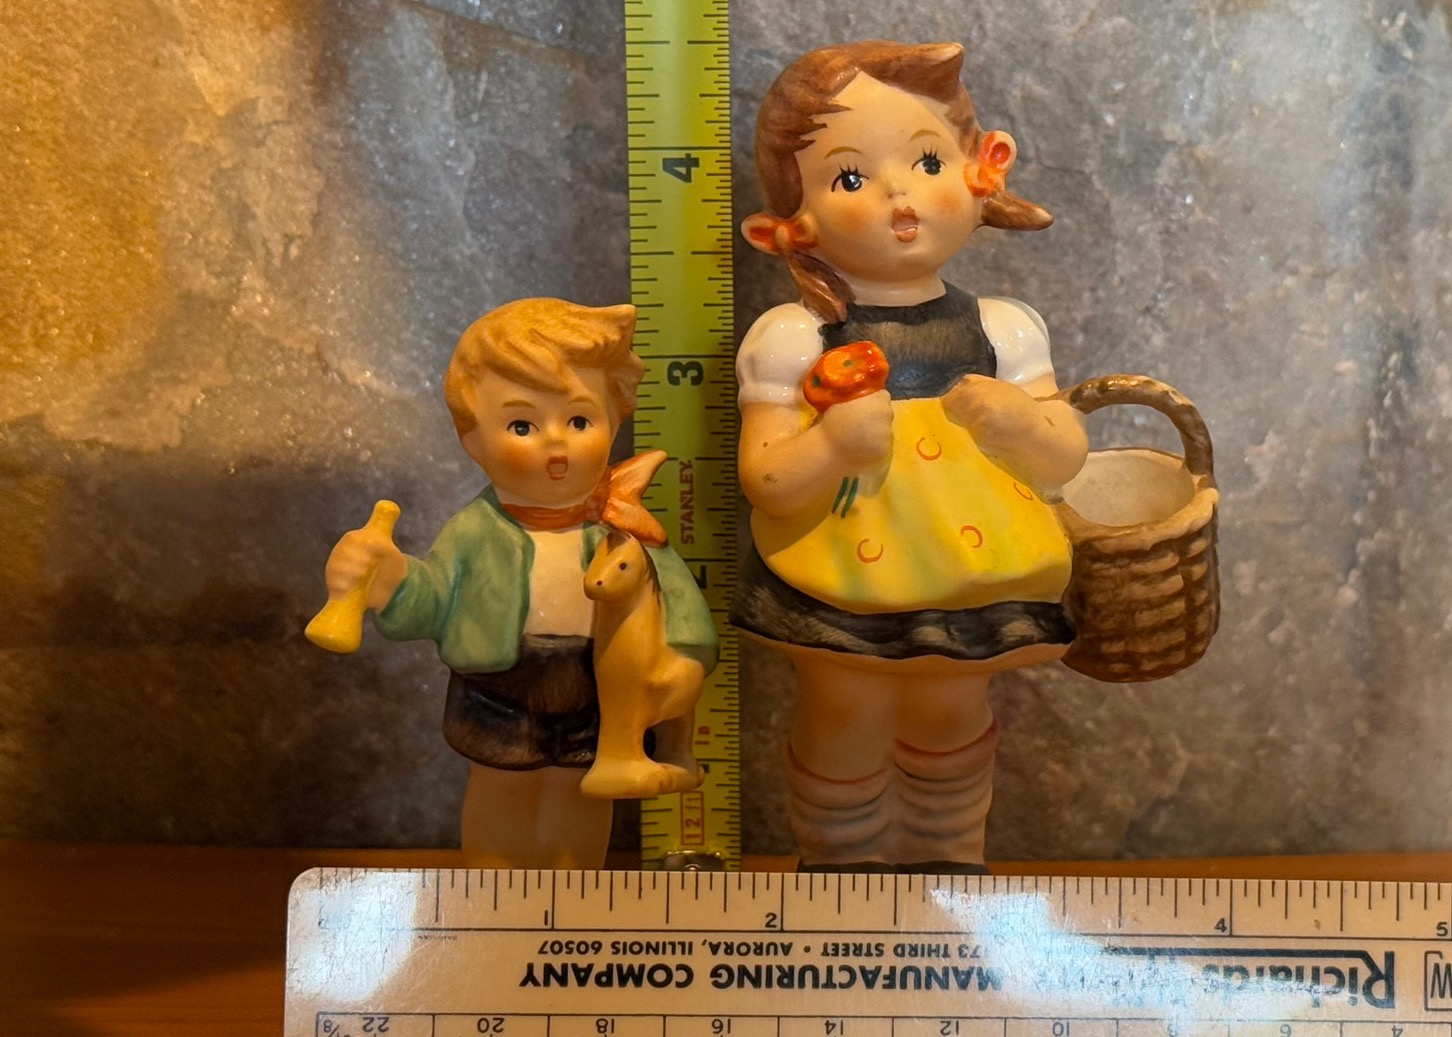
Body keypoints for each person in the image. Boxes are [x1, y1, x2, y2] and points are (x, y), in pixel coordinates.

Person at [734, 41, 1088, 872]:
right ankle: (842, 864)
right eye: (851, 177)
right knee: (844, 712)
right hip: (840, 580)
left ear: (980, 170)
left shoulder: (1003, 328)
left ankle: (948, 860)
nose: (900, 195)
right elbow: (767, 479)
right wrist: (832, 444)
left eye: (927, 161)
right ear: (795, 223)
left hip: (971, 577)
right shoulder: (795, 337)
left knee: (950, 712)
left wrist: (1021, 423)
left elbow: (1064, 455)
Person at [323, 297, 717, 868]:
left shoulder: (626, 530)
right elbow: (431, 601)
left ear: (614, 419)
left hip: (596, 683)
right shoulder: (473, 533)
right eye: (522, 425)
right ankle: (494, 895)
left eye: (579, 421)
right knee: (500, 789)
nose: (556, 443)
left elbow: (677, 601)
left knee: (579, 794)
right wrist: (389, 580)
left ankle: (573, 896)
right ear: (472, 439)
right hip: (498, 687)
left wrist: (685, 656)